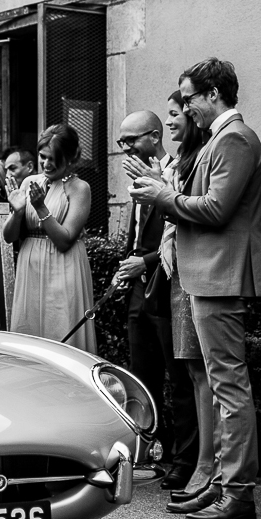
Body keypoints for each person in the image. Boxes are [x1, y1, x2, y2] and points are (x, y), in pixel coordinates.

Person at [130, 57, 261, 519]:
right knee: (219, 386)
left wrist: (160, 196)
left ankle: (236, 492)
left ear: (213, 94)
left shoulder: (234, 138)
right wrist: (164, 188)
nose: (186, 108)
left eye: (189, 98)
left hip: (220, 273)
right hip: (210, 272)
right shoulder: (224, 138)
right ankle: (221, 484)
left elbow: (215, 209)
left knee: (228, 387)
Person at [110, 110, 173, 474]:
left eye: (130, 140)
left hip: (165, 285)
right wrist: (125, 270)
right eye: (120, 142)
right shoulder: (135, 179)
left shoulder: (174, 174)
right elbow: (136, 237)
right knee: (141, 373)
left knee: (175, 375)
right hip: (137, 288)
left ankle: (181, 458)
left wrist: (144, 263)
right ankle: (150, 450)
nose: (124, 148)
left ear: (153, 137)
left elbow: (176, 235)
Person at [154, 93, 210, 500]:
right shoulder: (182, 160)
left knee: (202, 372)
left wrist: (161, 189)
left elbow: (194, 211)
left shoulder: (203, 156)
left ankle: (206, 465)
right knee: (191, 371)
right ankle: (205, 463)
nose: (176, 118)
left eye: (178, 112)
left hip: (194, 270)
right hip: (178, 268)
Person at [3, 123, 95, 352]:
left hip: (63, 267)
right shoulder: (28, 182)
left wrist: (40, 208)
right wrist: (17, 212)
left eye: (54, 158)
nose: (46, 164)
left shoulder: (79, 188)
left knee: (61, 328)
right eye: (43, 157)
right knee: (29, 331)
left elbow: (65, 240)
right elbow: (8, 236)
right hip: (30, 264)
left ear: (71, 158)